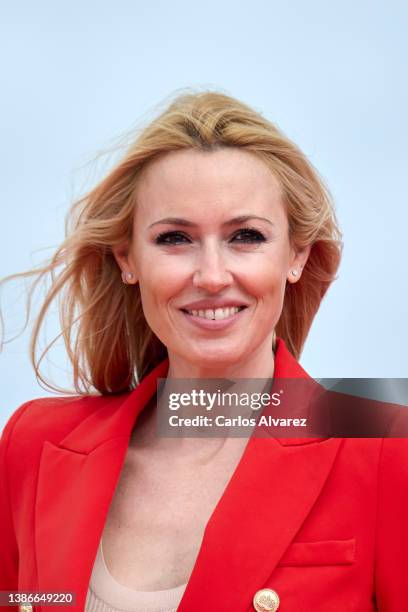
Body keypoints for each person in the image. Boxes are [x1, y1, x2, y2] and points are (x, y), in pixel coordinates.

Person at [1, 90, 407, 612]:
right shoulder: (33, 444)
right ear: (128, 259)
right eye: (174, 239)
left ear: (296, 255)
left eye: (246, 236)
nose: (213, 276)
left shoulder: (383, 444)